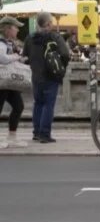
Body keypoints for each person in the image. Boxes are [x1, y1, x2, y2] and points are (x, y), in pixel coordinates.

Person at [22, 12, 70, 143]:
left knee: (38, 103)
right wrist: (60, 66)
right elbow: (66, 54)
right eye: (52, 22)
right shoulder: (55, 37)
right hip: (51, 76)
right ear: (48, 24)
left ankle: (36, 132)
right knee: (48, 105)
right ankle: (45, 134)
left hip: (35, 76)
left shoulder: (29, 38)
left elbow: (24, 57)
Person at [0, 17, 28, 148]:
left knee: (18, 106)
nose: (17, 29)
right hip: (1, 81)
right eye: (15, 27)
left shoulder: (10, 43)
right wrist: (16, 57)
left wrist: (21, 59)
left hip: (9, 81)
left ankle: (12, 137)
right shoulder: (1, 43)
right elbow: (3, 59)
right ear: (7, 29)